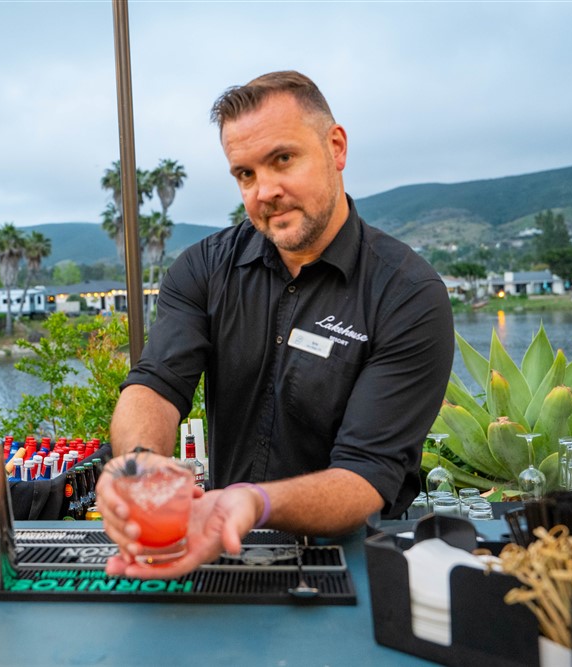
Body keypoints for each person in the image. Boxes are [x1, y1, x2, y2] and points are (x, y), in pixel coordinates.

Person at [98, 70, 454, 578]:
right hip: (224, 550)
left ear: (335, 147)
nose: (265, 191)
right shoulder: (203, 268)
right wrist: (138, 464)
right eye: (245, 174)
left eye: (282, 159)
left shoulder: (407, 295)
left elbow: (365, 477)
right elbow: (156, 382)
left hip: (356, 568)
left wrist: (250, 502)